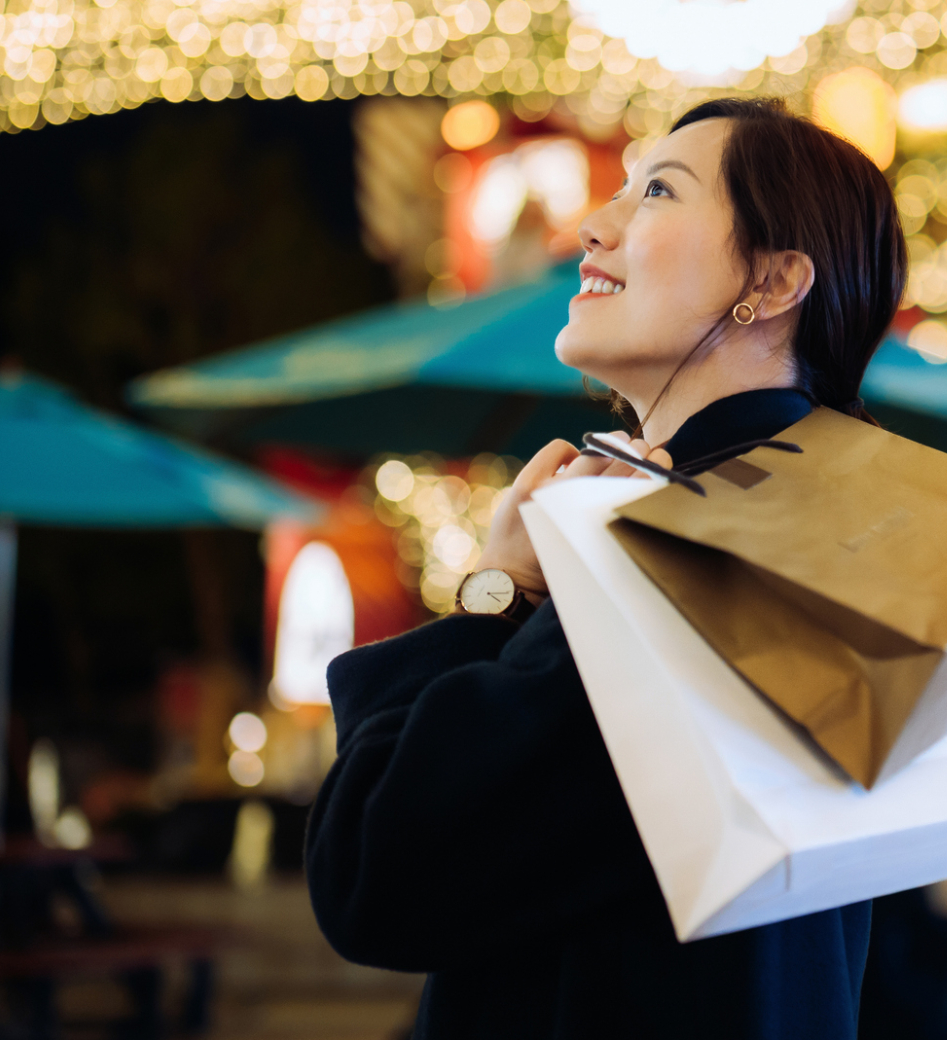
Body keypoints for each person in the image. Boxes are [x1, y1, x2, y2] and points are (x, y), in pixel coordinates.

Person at [305, 98, 905, 1039]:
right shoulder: (821, 531)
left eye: (658, 191)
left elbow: (378, 873)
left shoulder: (683, 553)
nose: (594, 223)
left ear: (776, 279)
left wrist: (498, 599)